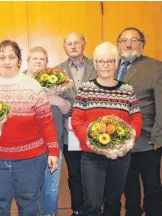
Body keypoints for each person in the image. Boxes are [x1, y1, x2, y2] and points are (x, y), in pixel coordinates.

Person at [0, 40, 59, 216]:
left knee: (29, 205)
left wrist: (53, 151)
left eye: (11, 57)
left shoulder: (32, 86)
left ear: (19, 61)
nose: (7, 61)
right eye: (2, 57)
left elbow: (46, 121)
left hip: (30, 161)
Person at [71, 41, 143, 216]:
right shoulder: (85, 89)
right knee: (93, 204)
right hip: (92, 156)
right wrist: (92, 142)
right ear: (95, 64)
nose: (105, 65)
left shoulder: (127, 90)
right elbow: (77, 120)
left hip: (120, 156)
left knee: (113, 203)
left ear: (116, 63)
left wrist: (128, 139)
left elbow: (136, 118)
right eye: (100, 61)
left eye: (110, 61)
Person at [116, 27, 162, 216]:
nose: (129, 44)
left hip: (147, 139)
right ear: (118, 45)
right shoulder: (111, 66)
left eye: (134, 39)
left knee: (152, 185)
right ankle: (132, 212)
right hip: (120, 140)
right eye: (124, 40)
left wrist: (158, 137)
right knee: (128, 183)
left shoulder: (155, 67)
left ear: (142, 44)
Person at [25, 46, 72, 215]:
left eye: (42, 59)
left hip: (53, 145)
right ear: (27, 61)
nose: (38, 61)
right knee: (29, 190)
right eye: (34, 58)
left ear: (47, 63)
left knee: (50, 189)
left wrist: (56, 100)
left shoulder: (57, 82)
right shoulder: (19, 82)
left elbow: (69, 109)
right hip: (27, 147)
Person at [55, 32, 97, 216]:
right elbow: (55, 101)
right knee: (74, 175)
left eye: (76, 42)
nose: (73, 46)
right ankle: (78, 209)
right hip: (69, 131)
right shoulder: (56, 71)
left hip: (95, 131)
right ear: (64, 47)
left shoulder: (97, 66)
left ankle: (94, 208)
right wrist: (65, 119)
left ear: (84, 44)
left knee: (94, 174)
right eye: (69, 43)